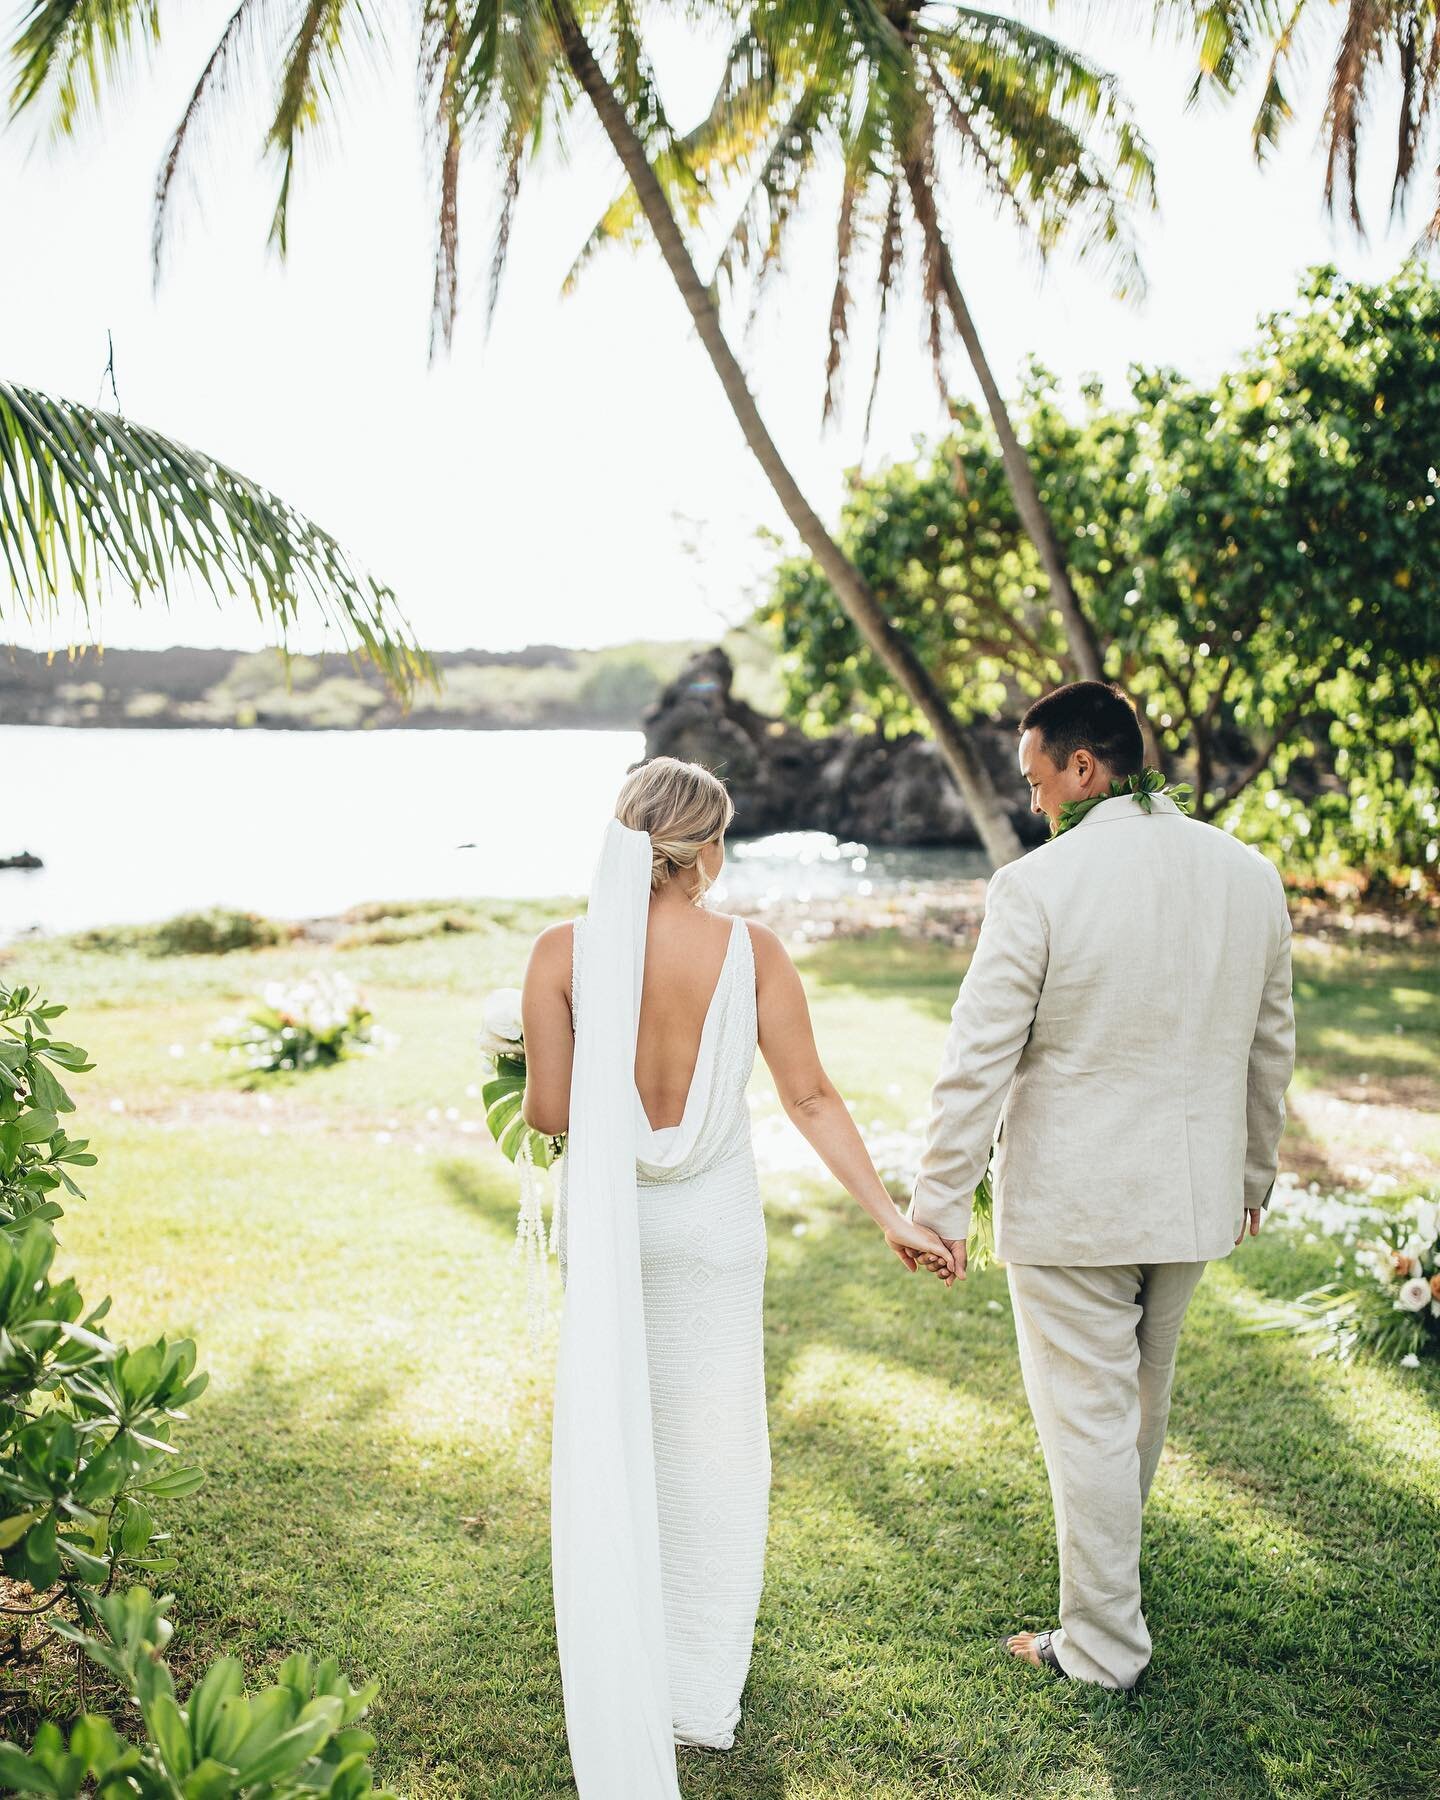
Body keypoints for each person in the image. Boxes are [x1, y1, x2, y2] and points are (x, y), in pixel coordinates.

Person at [520, 756, 952, 1797]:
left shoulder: (561, 953)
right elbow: (810, 1098)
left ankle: (621, 1644)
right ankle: (696, 1689)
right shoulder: (752, 951)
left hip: (618, 1229)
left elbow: (547, 1114)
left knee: (623, 1430)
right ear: (707, 849)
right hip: (713, 1232)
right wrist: (890, 1213)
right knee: (715, 1452)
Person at [910, 679, 1295, 1690]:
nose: (1038, 803)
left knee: (1090, 1422)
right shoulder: (1248, 874)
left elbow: (978, 1058)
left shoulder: (1038, 887)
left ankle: (1104, 1647)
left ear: (1086, 766)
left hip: (1077, 1207)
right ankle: (1110, 1609)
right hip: (1195, 1199)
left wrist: (937, 1204)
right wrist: (1253, 1172)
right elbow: (1272, 1045)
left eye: (1041, 780)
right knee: (1137, 1414)